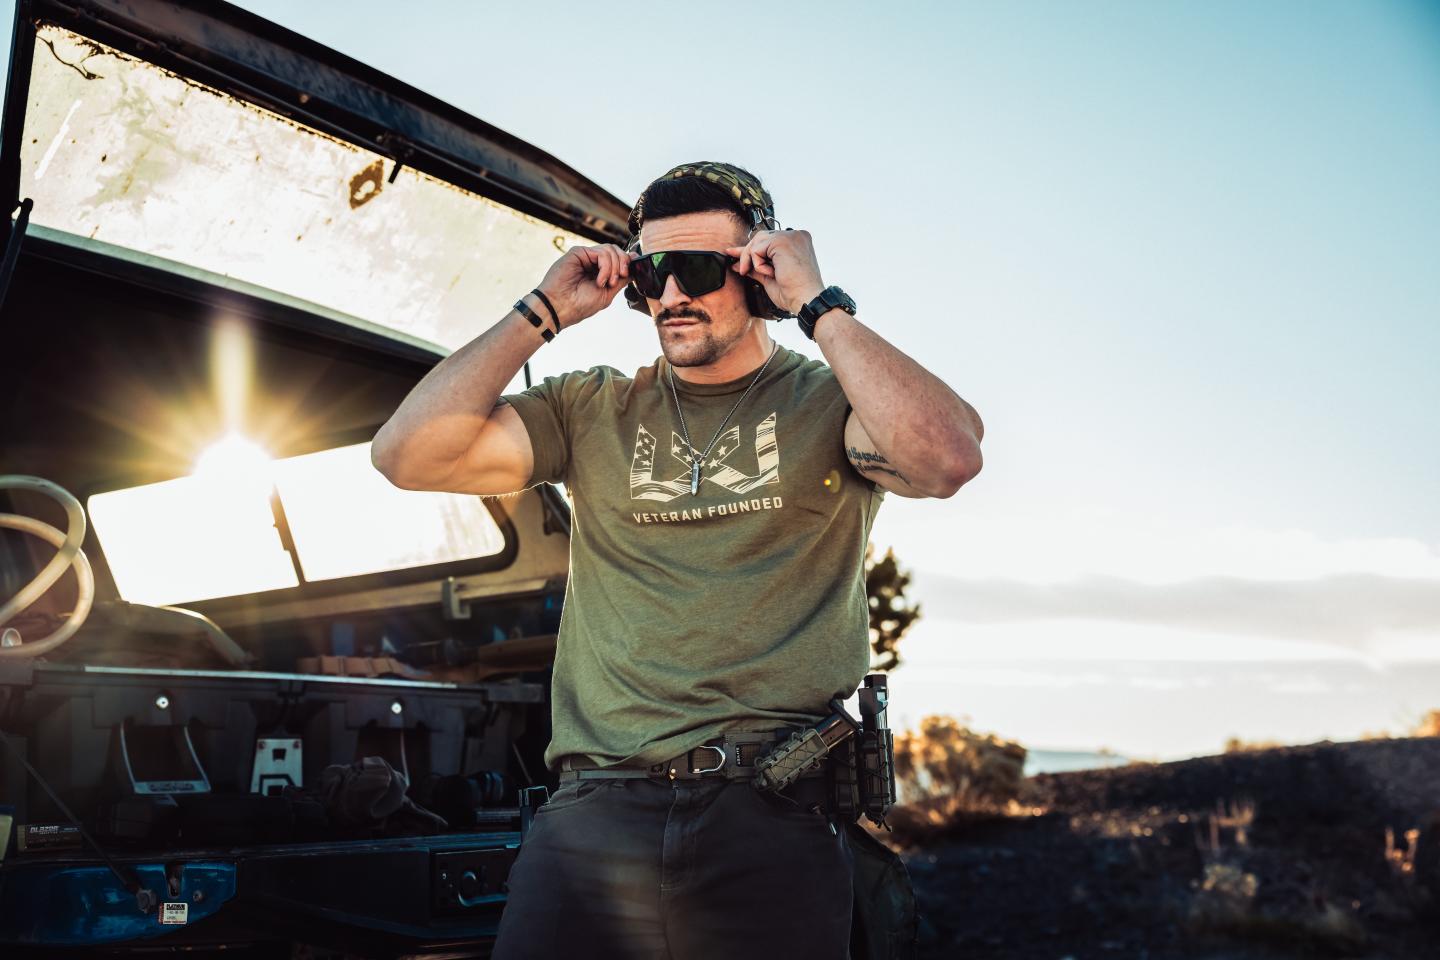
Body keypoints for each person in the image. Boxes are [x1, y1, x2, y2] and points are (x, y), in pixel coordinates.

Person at [371, 162, 983, 959]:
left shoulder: (830, 402)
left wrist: (819, 304)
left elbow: (947, 459)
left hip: (772, 812)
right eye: (652, 273)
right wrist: (543, 311)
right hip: (595, 812)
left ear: (758, 276)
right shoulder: (590, 407)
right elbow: (406, 455)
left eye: (696, 269)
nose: (670, 295)